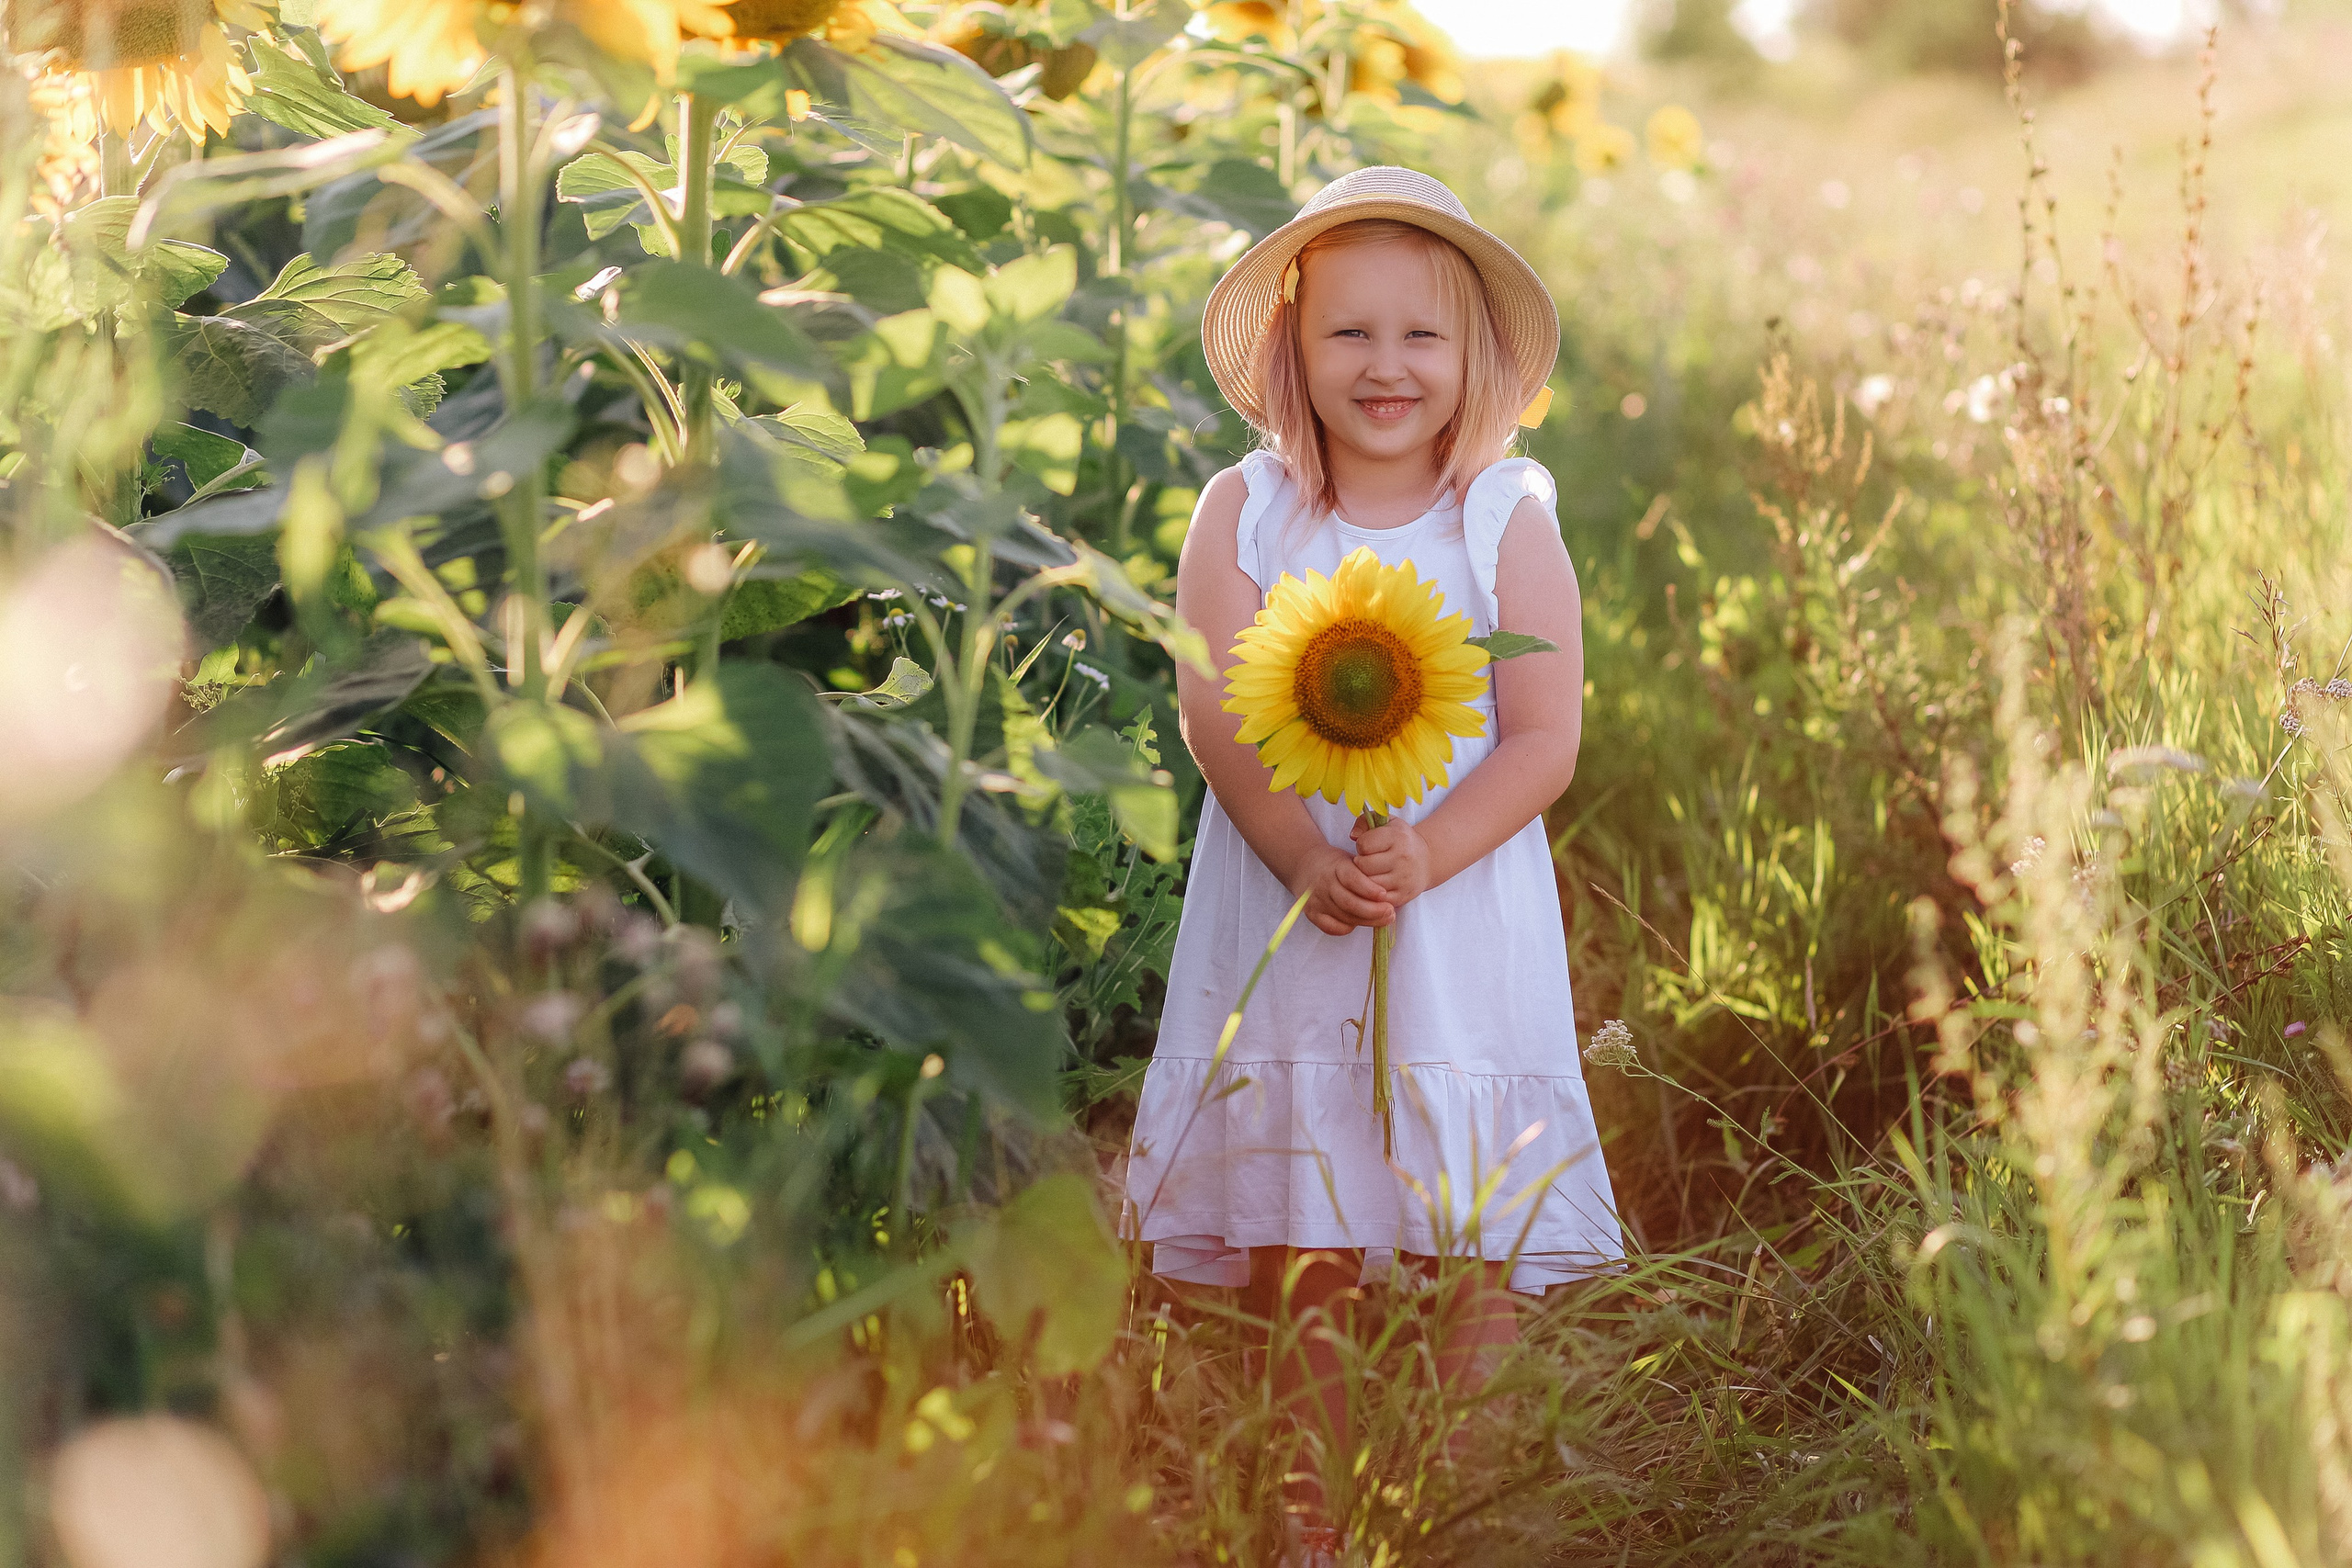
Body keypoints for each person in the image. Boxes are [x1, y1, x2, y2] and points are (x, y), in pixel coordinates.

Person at [1121, 165, 1624, 1562]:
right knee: (1311, 1222)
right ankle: (1306, 1516)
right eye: (1349, 333)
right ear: (1293, 348)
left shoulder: (1505, 515)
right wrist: (1297, 852)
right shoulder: (1247, 513)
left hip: (1454, 911)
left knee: (1473, 1225)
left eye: (1421, 336)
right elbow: (1214, 710)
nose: (1386, 366)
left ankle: (1467, 1503)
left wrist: (1428, 856)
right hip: (1292, 900)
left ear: (1476, 361)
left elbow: (1544, 737)